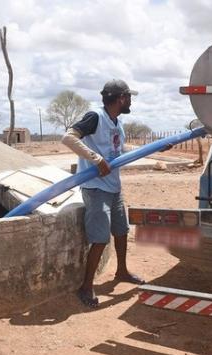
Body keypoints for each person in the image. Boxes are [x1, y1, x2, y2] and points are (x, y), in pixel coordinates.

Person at [62, 79, 145, 308]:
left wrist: (155, 148)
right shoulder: (95, 117)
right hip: (96, 189)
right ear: (121, 98)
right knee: (100, 238)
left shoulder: (117, 122)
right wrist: (96, 159)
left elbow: (121, 151)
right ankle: (86, 287)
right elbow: (68, 138)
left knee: (121, 231)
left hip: (113, 187)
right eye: (129, 97)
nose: (130, 101)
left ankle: (121, 271)